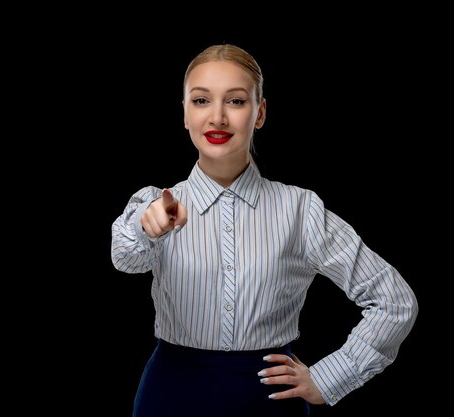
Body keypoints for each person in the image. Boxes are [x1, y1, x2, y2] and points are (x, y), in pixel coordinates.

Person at [111, 43, 418, 417]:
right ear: (185, 114)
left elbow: (394, 301)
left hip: (270, 402)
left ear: (260, 113)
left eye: (236, 101)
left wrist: (330, 378)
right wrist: (147, 228)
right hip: (170, 395)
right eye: (202, 100)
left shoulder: (300, 210)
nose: (218, 118)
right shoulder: (156, 203)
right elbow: (124, 258)